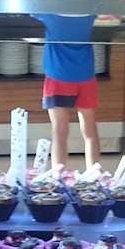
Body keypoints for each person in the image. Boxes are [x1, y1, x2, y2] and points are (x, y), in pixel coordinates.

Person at [34, 13, 101, 171]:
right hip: (85, 75)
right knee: (90, 130)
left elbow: (28, 6)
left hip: (58, 76)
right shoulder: (89, 14)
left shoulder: (50, 14)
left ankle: (59, 175)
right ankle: (94, 174)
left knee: (60, 130)